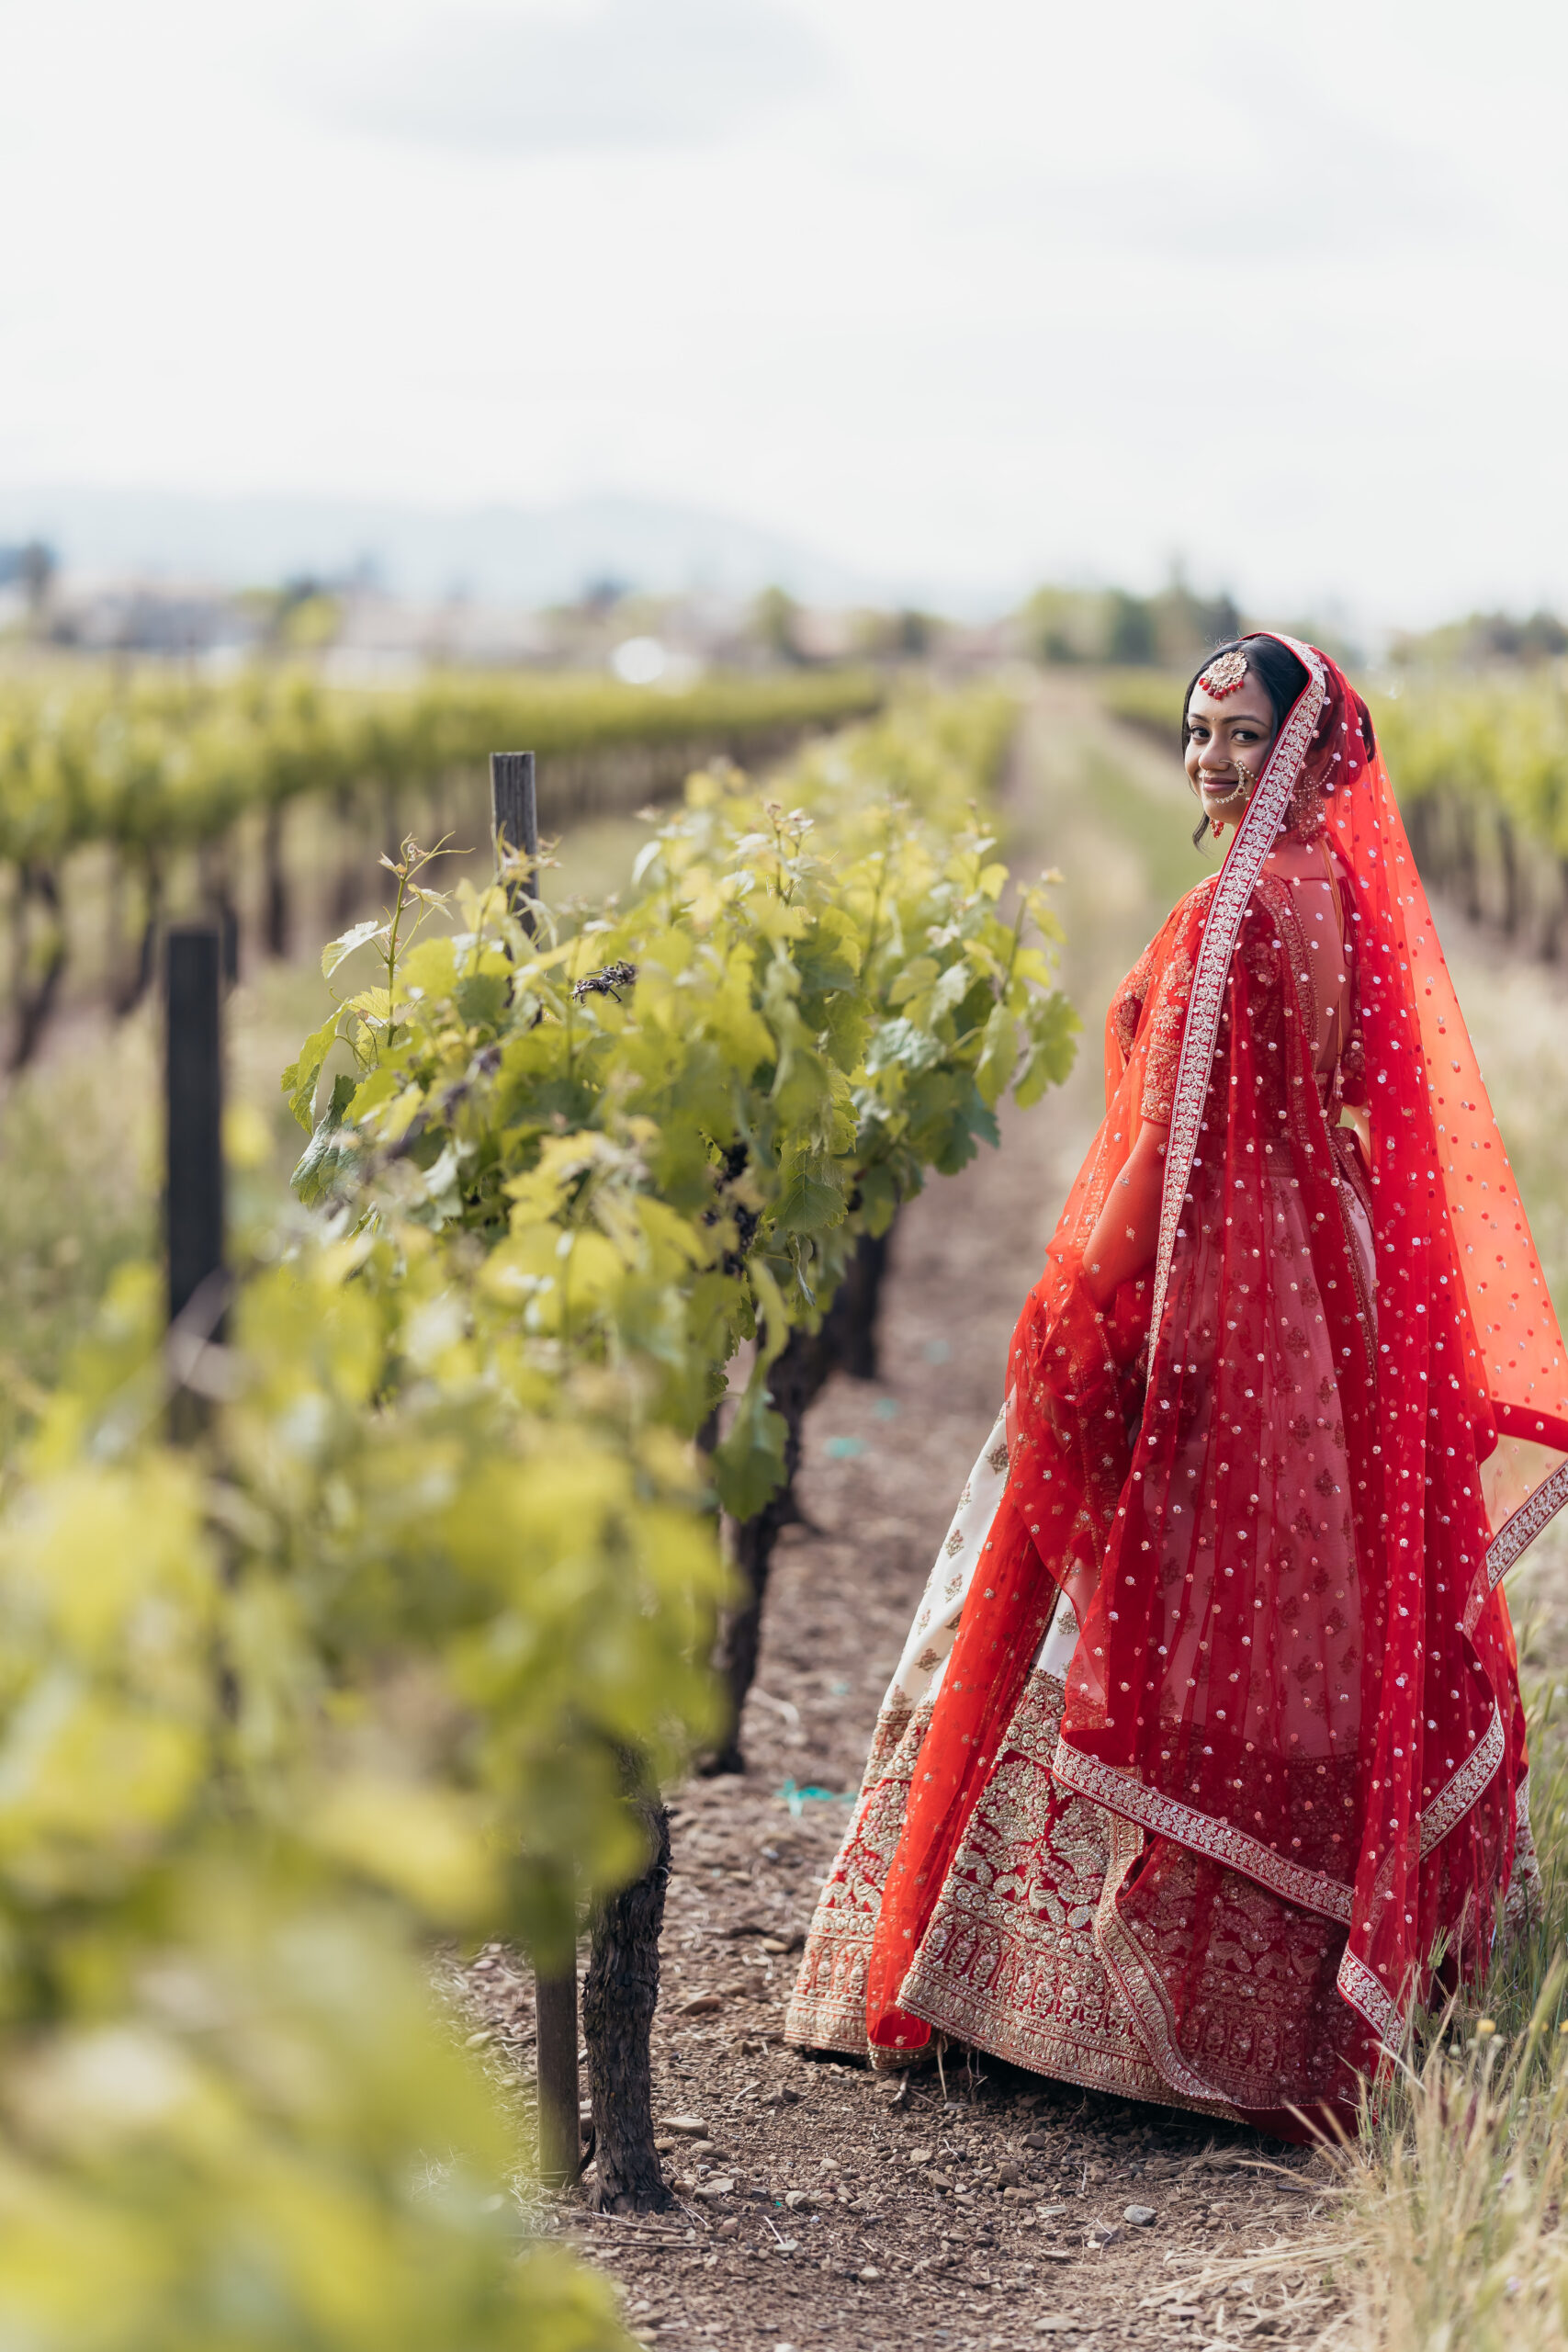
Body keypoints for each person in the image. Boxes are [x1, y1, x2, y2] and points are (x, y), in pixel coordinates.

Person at [786, 634, 1568, 2135]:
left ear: (1304, 751)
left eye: (1242, 734)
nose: (1211, 758)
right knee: (1302, 1599)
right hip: (1324, 1269)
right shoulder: (1336, 892)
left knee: (1157, 1588)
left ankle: (1079, 2004)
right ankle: (1299, 1984)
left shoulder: (1234, 909)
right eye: (1198, 731)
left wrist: (1079, 1297)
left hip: (1220, 1273)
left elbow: (1172, 1140)